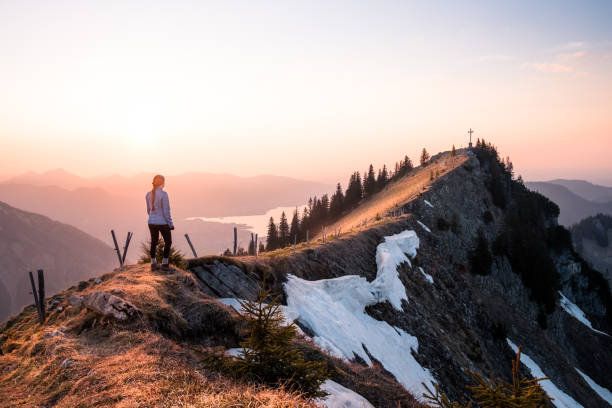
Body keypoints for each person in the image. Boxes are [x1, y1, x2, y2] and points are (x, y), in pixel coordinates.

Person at [146, 174, 174, 271]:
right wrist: (170, 224)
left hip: (151, 222)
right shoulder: (163, 194)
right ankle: (165, 264)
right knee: (168, 242)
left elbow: (148, 210)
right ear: (162, 183)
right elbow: (166, 211)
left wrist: (153, 218)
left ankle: (153, 263)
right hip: (162, 222)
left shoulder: (148, 194)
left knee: (154, 241)